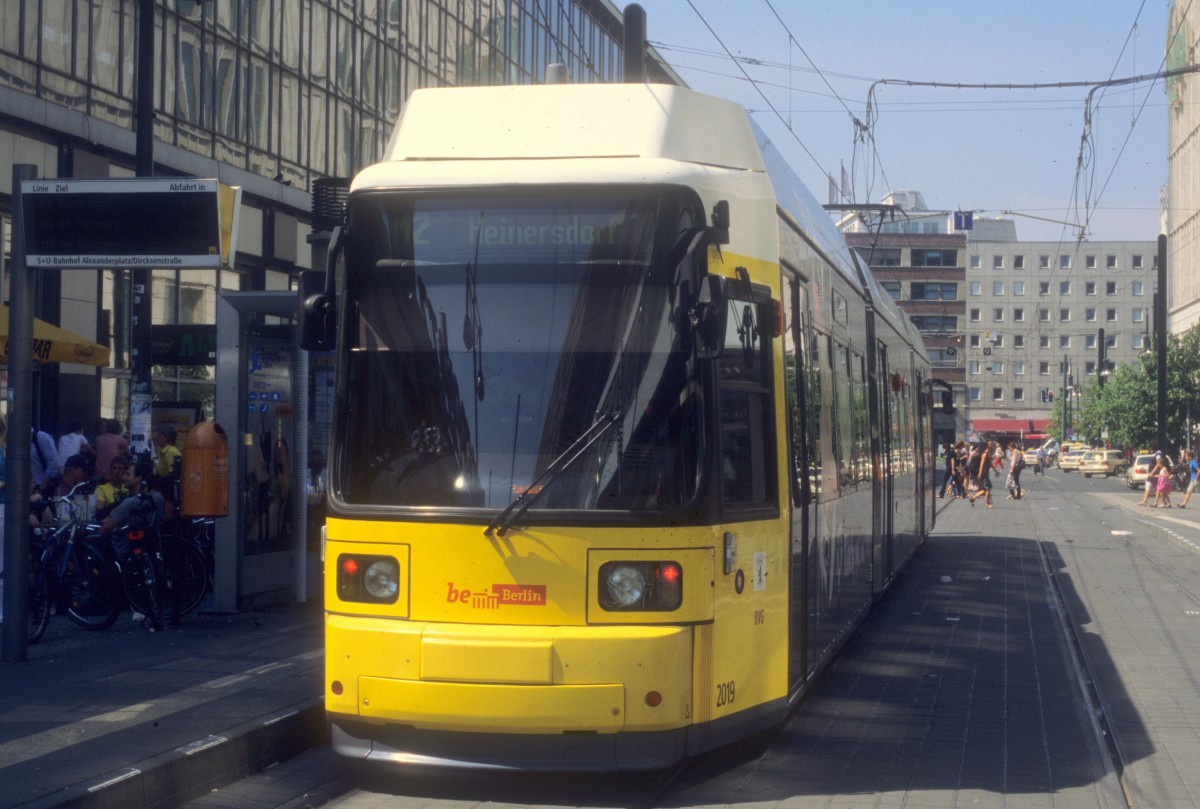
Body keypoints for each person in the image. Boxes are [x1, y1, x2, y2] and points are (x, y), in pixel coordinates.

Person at [98, 459, 164, 624]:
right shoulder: (157, 497)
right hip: (150, 543)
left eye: (128, 473)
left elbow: (104, 529)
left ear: (138, 478)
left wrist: (111, 520)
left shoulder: (128, 504)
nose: (124, 477)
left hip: (125, 547)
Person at [93, 456, 130, 521]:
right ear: (110, 470)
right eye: (114, 468)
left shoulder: (128, 488)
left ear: (125, 471)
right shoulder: (101, 489)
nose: (117, 471)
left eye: (120, 469)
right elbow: (98, 512)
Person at [30, 427, 62, 497]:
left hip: (43, 487)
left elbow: (54, 465)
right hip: (29, 489)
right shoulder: (15, 442)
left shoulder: (41, 437)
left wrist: (40, 489)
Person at [968, 441, 997, 508]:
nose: (992, 445)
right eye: (990, 444)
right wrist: (980, 473)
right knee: (988, 488)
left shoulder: (988, 453)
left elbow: (989, 464)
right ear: (987, 446)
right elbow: (981, 464)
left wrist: (995, 470)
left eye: (992, 444)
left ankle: (973, 498)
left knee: (985, 489)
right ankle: (987, 504)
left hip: (985, 472)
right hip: (983, 472)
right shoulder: (985, 454)